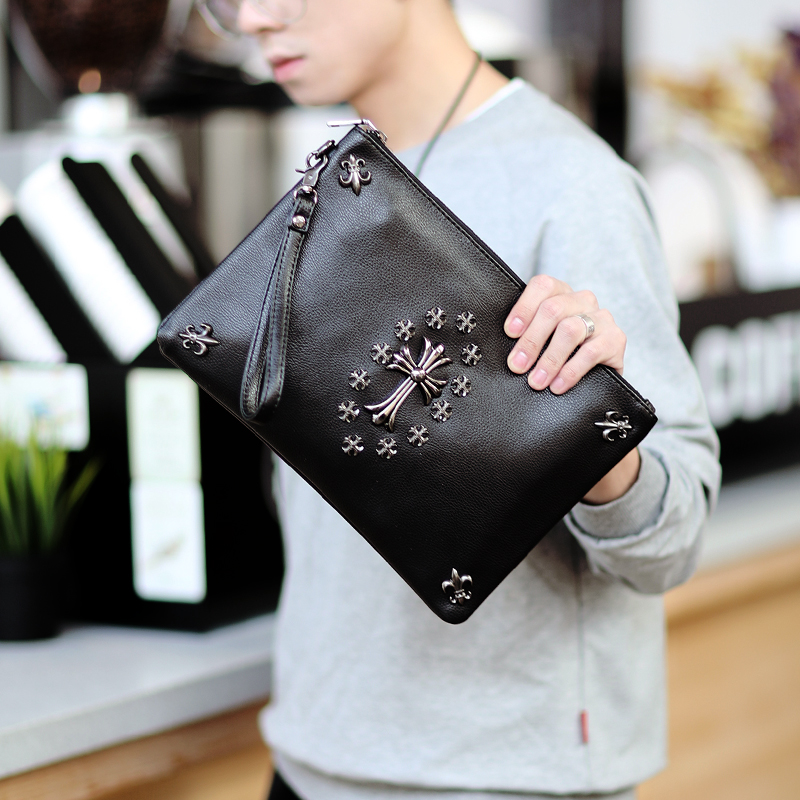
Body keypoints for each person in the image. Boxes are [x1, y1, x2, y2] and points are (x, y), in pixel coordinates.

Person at [231, 1, 722, 798]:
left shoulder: (574, 184)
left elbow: (673, 542)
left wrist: (596, 447)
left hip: (502, 778)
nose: (253, 17)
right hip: (311, 759)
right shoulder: (331, 178)